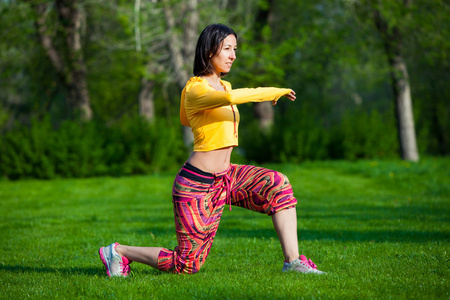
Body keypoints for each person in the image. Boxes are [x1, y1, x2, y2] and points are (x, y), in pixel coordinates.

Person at [99, 24, 325, 276]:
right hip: (197, 184)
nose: (233, 55)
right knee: (187, 265)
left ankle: (293, 262)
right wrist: (273, 91)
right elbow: (225, 102)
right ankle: (118, 252)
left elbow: (190, 118)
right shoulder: (195, 89)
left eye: (235, 49)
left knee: (277, 185)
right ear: (209, 51)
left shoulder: (225, 86)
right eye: (227, 48)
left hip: (228, 177)